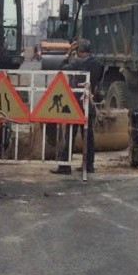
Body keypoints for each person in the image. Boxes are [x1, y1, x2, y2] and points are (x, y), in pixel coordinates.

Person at [51, 39, 103, 176]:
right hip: (88, 101)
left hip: (75, 103)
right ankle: (89, 165)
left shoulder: (75, 63)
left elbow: (61, 69)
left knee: (70, 135)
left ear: (78, 51)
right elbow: (98, 81)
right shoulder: (98, 65)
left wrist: (68, 54)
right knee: (88, 135)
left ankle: (65, 166)